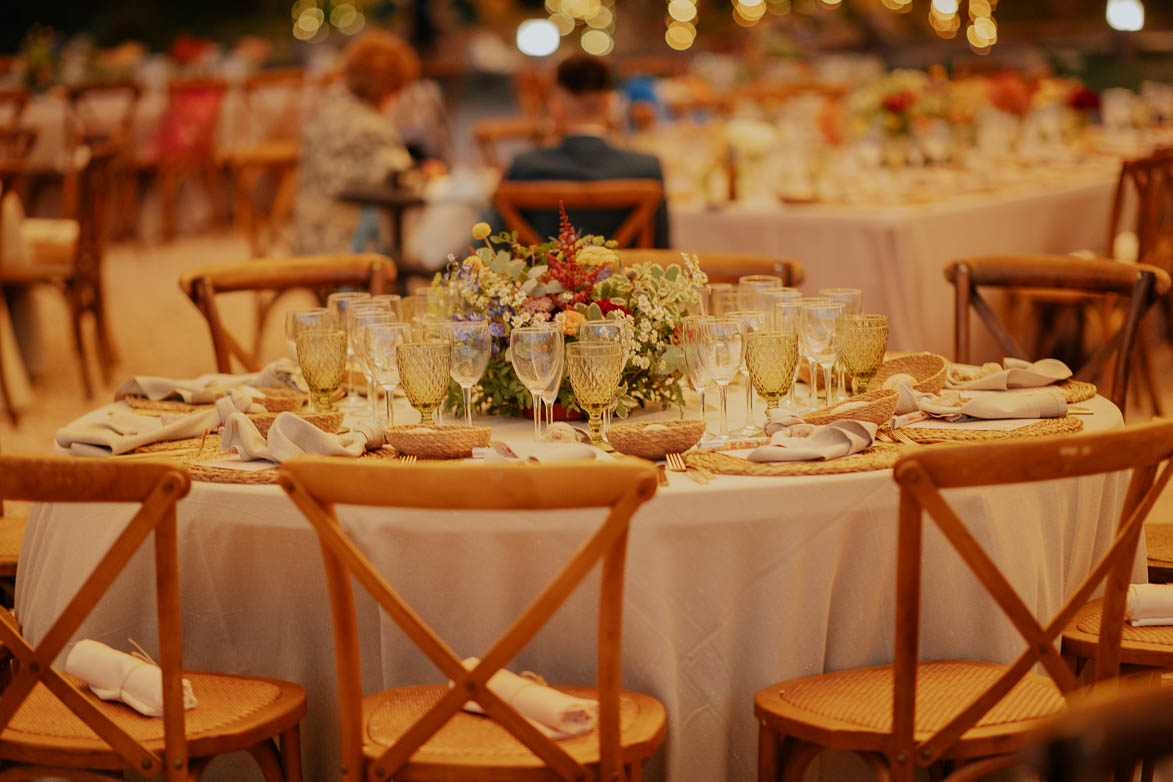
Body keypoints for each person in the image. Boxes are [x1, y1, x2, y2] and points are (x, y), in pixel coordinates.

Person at [495, 55, 670, 248]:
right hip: (627, 277)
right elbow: (660, 250)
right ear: (610, 105)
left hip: (544, 278)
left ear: (556, 106)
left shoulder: (525, 167)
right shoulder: (646, 169)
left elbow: (501, 248)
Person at [293, 30, 415, 256]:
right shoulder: (369, 126)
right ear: (388, 89)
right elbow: (400, 179)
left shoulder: (328, 110)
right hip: (347, 246)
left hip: (306, 238)